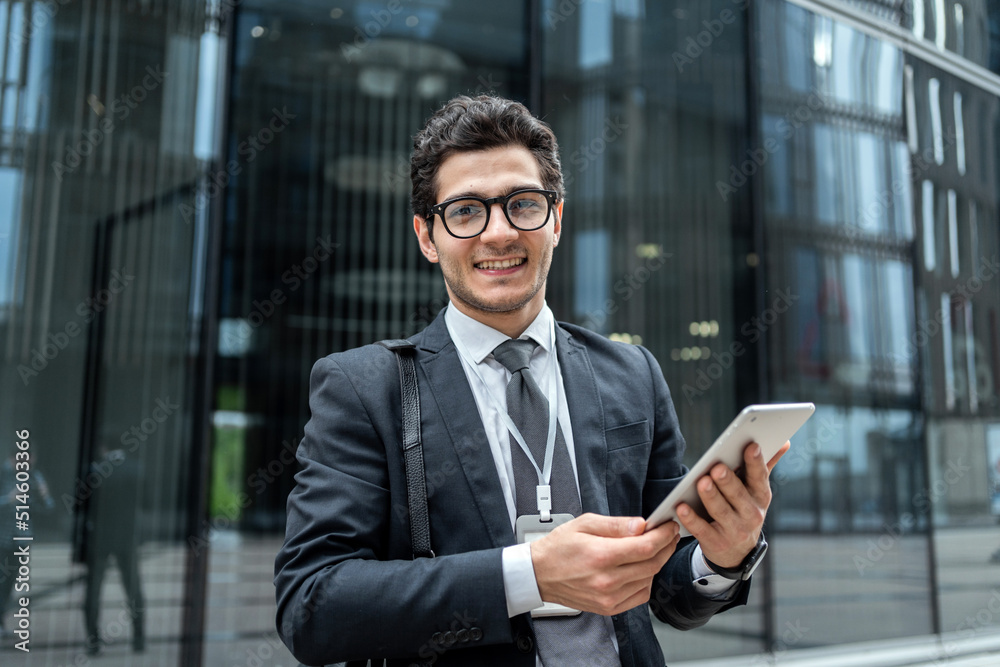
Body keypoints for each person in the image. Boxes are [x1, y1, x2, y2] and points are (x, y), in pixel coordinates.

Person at [274, 95, 788, 667]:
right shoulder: (364, 389)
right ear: (426, 236)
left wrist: (720, 556)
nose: (499, 233)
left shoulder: (632, 374)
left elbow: (669, 594)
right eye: (466, 211)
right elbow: (312, 608)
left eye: (523, 204)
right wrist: (529, 576)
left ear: (556, 219)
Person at [82, 445, 145, 655]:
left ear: (103, 448)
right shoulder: (135, 469)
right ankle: (139, 638)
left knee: (93, 589)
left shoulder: (96, 470)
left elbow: (84, 504)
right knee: (133, 587)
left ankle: (93, 640)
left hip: (101, 536)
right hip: (126, 536)